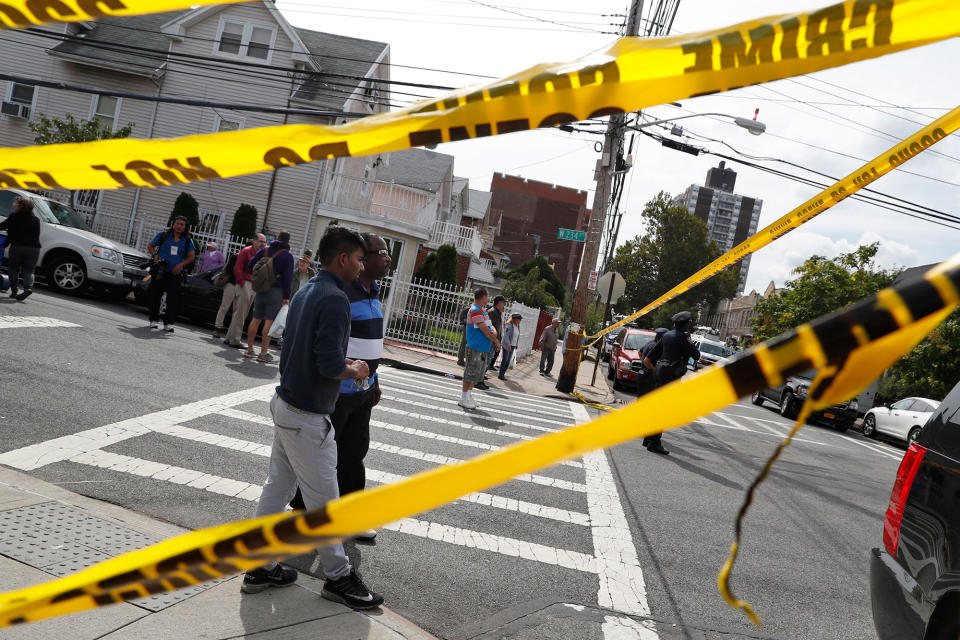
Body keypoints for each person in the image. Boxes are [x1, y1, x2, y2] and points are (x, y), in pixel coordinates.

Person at [242, 225, 383, 609]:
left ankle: (259, 567)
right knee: (325, 503)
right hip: (307, 416)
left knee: (278, 489)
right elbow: (328, 362)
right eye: (357, 259)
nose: (360, 265)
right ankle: (338, 578)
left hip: (286, 403)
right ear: (342, 259)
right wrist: (355, 369)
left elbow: (295, 347)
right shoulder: (336, 298)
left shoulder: (306, 290)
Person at [289, 233, 391, 543]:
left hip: (362, 391)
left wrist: (374, 380)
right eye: (380, 253)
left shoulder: (373, 292)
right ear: (360, 258)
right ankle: (302, 513)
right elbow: (330, 342)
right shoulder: (342, 292)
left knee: (354, 454)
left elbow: (367, 343)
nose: (387, 259)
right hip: (337, 392)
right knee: (322, 457)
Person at [642, 311, 701, 455]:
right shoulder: (685, 337)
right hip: (672, 376)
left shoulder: (667, 335)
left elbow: (649, 358)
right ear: (686, 325)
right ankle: (654, 442)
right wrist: (690, 339)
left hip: (660, 373)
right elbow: (696, 355)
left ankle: (648, 438)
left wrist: (657, 370)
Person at [244, 231, 294, 363]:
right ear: (288, 242)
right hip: (276, 291)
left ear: (277, 238)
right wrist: (286, 297)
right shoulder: (287, 256)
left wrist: (260, 278)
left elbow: (250, 266)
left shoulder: (265, 250)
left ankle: (249, 350)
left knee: (255, 319)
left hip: (261, 289)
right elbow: (288, 279)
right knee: (269, 322)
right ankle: (263, 353)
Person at [146, 216, 196, 332]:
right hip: (160, 270)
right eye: (177, 223)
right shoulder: (163, 236)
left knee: (172, 298)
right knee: (155, 296)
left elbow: (191, 257)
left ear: (185, 227)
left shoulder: (188, 240)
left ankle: (168, 323)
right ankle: (153, 320)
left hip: (175, 273)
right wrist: (155, 255)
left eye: (182, 224)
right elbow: (150, 246)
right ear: (173, 224)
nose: (179, 226)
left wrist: (180, 265)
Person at [460, 288, 499, 410]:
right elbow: (485, 330)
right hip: (475, 347)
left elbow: (491, 326)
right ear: (482, 297)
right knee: (470, 374)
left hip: (482, 348)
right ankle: (463, 398)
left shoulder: (483, 311)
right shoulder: (475, 311)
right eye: (487, 296)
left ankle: (468, 396)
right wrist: (496, 340)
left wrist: (494, 332)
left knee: (476, 375)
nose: (488, 299)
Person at [223, 234, 265, 347]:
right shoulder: (246, 251)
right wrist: (241, 282)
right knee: (241, 313)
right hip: (245, 284)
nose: (263, 244)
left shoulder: (261, 254)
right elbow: (237, 268)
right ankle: (235, 340)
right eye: (261, 241)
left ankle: (229, 337)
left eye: (264, 242)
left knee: (240, 313)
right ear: (254, 241)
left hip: (253, 285)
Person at [0, 196, 41, 302]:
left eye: (16, 203)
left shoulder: (14, 216)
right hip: (34, 249)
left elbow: (3, 226)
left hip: (18, 247)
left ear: (21, 206)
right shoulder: (36, 220)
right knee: (29, 271)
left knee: (13, 270)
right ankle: (28, 288)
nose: (14, 204)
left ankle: (14, 292)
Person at [212, 247, 242, 339]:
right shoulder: (236, 257)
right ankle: (218, 328)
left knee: (237, 311)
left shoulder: (252, 259)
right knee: (224, 306)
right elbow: (229, 269)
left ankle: (231, 332)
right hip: (231, 284)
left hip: (241, 286)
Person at [636, 328, 668, 397]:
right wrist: (655, 370)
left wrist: (643, 362)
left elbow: (639, 352)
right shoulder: (656, 347)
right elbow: (647, 362)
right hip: (649, 377)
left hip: (642, 374)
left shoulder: (650, 343)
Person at [498, 313, 522, 380]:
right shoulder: (509, 325)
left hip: (513, 345)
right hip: (507, 345)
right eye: (519, 319)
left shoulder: (518, 326)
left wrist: (516, 344)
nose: (520, 321)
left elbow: (517, 336)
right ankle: (501, 374)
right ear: (515, 319)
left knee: (508, 361)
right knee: (505, 360)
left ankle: (502, 374)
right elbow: (506, 336)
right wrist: (508, 345)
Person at [487, 295, 506, 373]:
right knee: (487, 358)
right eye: (503, 303)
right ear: (500, 303)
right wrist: (495, 340)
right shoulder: (492, 312)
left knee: (489, 358)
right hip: (491, 339)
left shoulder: (498, 312)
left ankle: (482, 376)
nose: (504, 305)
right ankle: (480, 378)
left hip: (495, 339)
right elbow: (489, 326)